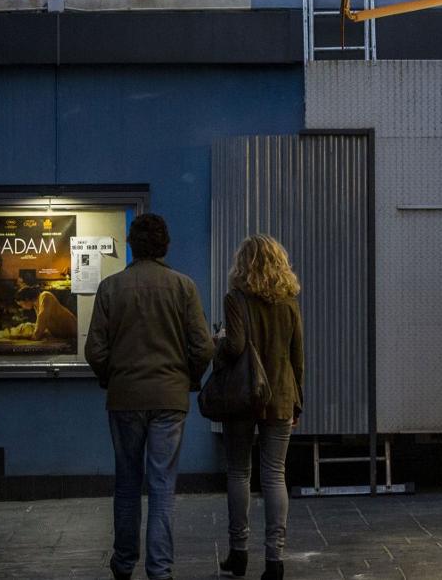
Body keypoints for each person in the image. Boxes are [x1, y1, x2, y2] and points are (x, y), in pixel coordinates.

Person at [86, 214, 215, 580]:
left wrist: (112, 377)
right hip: (169, 400)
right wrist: (188, 379)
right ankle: (160, 569)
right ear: (165, 246)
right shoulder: (183, 287)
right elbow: (203, 347)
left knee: (127, 482)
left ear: (131, 244)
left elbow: (94, 350)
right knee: (162, 486)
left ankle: (124, 563)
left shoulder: (111, 288)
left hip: (125, 398)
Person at [217, 235, 304, 580]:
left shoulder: (235, 299)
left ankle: (238, 554)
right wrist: (298, 401)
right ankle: (275, 560)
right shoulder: (289, 302)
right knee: (274, 474)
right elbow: (298, 356)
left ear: (244, 263)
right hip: (282, 395)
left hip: (242, 396)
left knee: (239, 472)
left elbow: (235, 347)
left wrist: (218, 344)